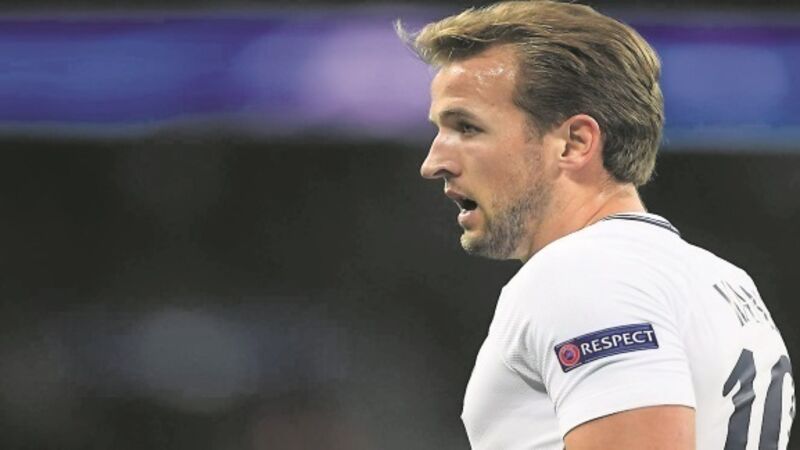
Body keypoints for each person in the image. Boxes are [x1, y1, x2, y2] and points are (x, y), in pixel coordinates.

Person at [397, 1, 795, 449]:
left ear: (574, 142)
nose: (434, 162)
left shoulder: (582, 274)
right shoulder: (722, 280)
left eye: (467, 128)